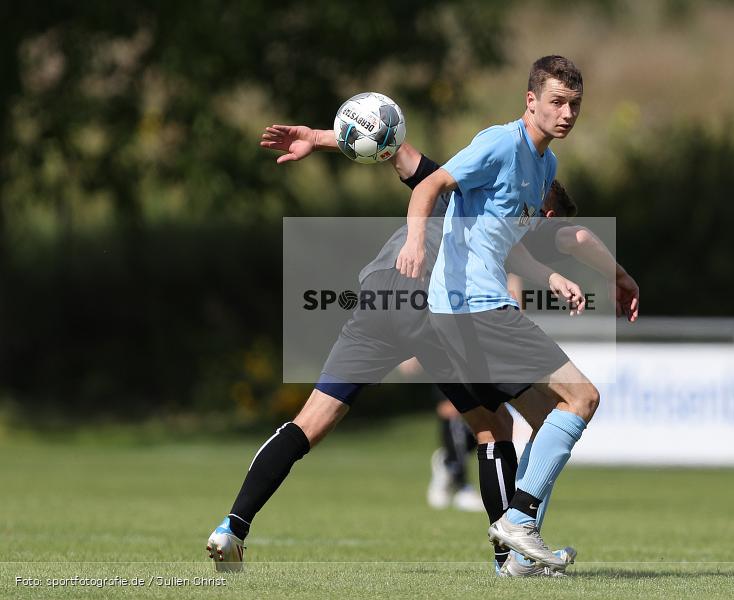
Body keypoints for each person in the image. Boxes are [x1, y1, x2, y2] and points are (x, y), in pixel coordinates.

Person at [206, 122, 638, 576]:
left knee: (309, 423)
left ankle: (232, 527)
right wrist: (618, 275)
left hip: (377, 294)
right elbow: (579, 238)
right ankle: (509, 557)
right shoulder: (513, 209)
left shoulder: (455, 183)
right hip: (432, 304)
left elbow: (389, 143)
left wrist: (317, 137)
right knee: (493, 427)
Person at [395, 55, 625, 569]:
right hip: (472, 308)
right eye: (556, 102)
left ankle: (519, 557)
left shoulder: (546, 165)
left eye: (575, 104)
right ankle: (518, 524)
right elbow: (431, 184)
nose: (566, 113)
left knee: (544, 422)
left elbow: (499, 241)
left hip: (473, 308)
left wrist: (551, 277)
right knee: (583, 397)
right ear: (531, 101)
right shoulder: (500, 143)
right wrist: (414, 241)